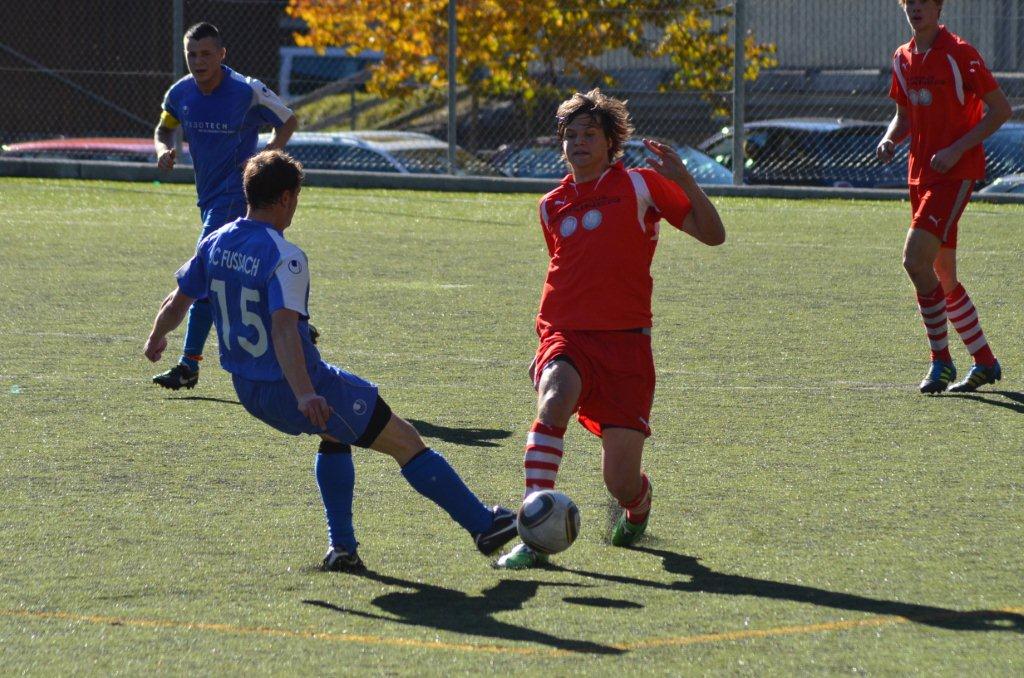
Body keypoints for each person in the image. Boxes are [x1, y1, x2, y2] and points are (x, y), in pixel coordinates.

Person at [143, 150, 517, 571]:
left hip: (248, 390)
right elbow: (283, 330)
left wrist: (157, 335)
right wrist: (306, 393)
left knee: (336, 436)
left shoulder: (215, 241)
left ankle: (342, 548)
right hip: (296, 386)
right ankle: (483, 526)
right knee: (406, 441)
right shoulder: (285, 256)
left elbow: (178, 300)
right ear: (286, 197)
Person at [496, 89, 726, 569]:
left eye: (590, 134)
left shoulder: (640, 185)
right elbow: (565, 273)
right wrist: (548, 344)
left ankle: (637, 504)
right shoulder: (551, 204)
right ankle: (533, 535)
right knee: (553, 401)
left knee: (619, 481)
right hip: (567, 335)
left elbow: (713, 234)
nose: (579, 142)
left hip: (626, 346)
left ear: (610, 143)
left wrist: (684, 179)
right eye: (571, 135)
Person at [152, 21, 299, 391]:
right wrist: (163, 150)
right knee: (235, 271)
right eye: (192, 54)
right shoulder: (181, 93)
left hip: (237, 198)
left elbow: (288, 120)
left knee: (204, 274)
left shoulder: (246, 90)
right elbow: (164, 128)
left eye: (206, 54)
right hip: (208, 197)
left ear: (221, 54)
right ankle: (293, 326)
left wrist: (266, 156)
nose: (198, 61)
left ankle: (188, 362)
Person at [877, 0, 1012, 393]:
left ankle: (941, 361)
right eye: (910, 2)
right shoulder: (901, 58)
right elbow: (904, 115)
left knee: (913, 259)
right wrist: (889, 139)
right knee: (944, 275)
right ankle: (984, 362)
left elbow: (1000, 110)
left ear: (938, 7)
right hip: (919, 175)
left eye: (925, 2)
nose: (916, 8)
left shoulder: (960, 53)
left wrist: (956, 149)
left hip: (954, 174)